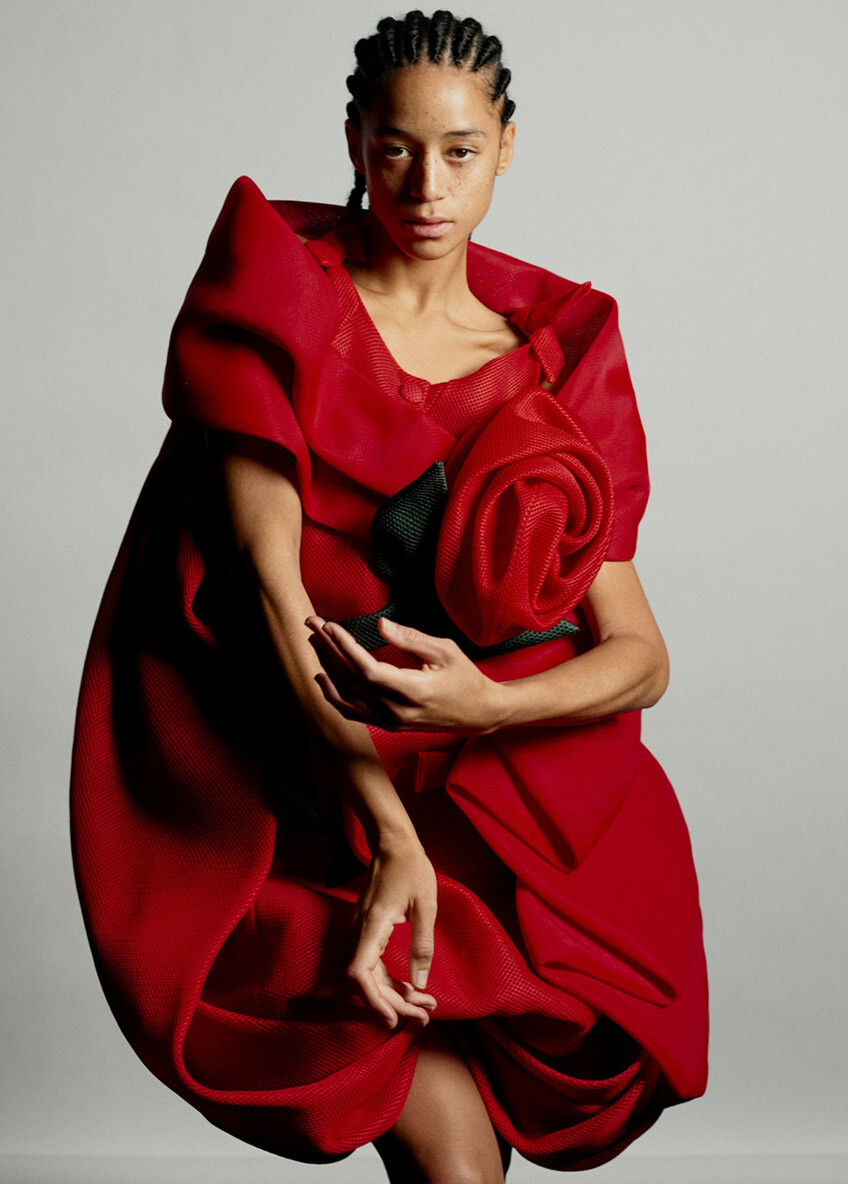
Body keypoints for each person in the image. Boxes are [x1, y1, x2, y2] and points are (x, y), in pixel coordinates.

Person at [70, 9, 709, 1181]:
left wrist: (485, 707)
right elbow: (268, 593)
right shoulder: (279, 302)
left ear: (505, 146)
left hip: (502, 826)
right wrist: (389, 831)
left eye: (459, 151)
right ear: (354, 141)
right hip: (310, 808)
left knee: (463, 1167)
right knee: (451, 1163)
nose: (426, 185)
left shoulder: (551, 352)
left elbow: (640, 655)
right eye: (396, 148)